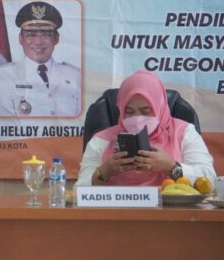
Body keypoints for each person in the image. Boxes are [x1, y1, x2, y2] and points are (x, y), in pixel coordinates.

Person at [77, 70, 214, 186]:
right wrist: (104, 172)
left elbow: (209, 179)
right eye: (129, 112)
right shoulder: (102, 140)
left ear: (159, 108)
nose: (137, 118)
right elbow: (80, 188)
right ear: (121, 109)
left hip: (172, 208)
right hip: (116, 208)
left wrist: (170, 167)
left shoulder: (184, 133)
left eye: (146, 111)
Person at [0, 0, 80, 117]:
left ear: (56, 38)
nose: (38, 42)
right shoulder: (2, 77)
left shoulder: (75, 76)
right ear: (20, 39)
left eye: (46, 34)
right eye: (31, 35)